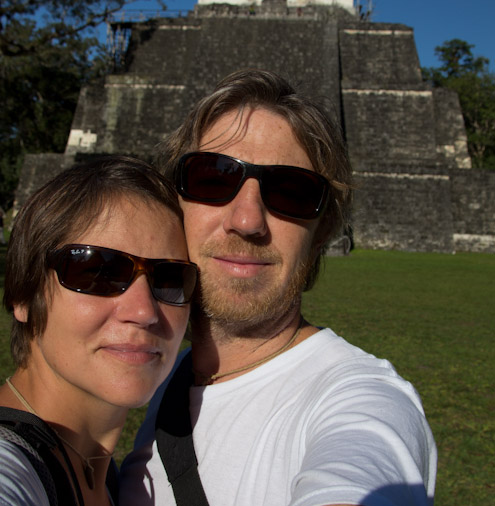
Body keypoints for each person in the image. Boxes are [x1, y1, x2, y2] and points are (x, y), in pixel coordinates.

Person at [120, 70, 437, 506]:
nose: (248, 221)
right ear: (174, 203)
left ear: (322, 228)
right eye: (212, 178)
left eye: (290, 191)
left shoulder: (363, 402)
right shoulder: (159, 378)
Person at [0, 155, 197, 506]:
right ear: (22, 295)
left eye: (170, 279)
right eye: (97, 272)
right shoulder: (11, 468)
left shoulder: (101, 472)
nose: (143, 311)